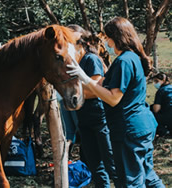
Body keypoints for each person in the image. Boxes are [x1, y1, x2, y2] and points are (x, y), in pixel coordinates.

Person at [66, 17, 165, 187]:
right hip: (142, 125)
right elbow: (105, 85)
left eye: (107, 37)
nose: (106, 42)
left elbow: (113, 98)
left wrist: (84, 78)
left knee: (130, 181)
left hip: (129, 129)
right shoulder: (131, 58)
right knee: (148, 175)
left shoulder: (124, 61)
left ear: (115, 37)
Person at [68, 24, 120, 188]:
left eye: (74, 41)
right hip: (83, 120)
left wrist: (75, 93)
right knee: (94, 164)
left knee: (111, 162)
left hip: (99, 118)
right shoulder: (74, 62)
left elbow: (96, 88)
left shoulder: (91, 59)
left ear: (82, 42)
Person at [151, 72, 172, 136]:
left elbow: (156, 109)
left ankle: (163, 131)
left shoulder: (161, 91)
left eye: (156, 81)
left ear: (163, 80)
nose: (155, 83)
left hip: (168, 116)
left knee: (150, 112)